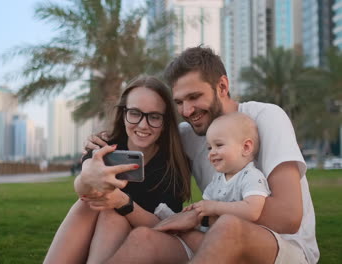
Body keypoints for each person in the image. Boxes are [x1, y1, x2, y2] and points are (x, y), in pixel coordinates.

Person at [87, 47, 319, 263]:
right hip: (212, 235)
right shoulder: (187, 135)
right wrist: (106, 141)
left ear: (222, 87)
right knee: (142, 239)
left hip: (283, 247)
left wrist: (203, 215)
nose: (187, 111)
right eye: (179, 102)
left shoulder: (266, 117)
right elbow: (142, 136)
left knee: (229, 226)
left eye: (194, 97)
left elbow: (288, 217)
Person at [43, 76, 192, 264]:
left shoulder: (172, 163)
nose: (143, 124)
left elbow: (168, 226)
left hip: (144, 242)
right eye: (135, 113)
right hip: (97, 232)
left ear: (164, 123)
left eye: (154, 116)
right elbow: (82, 189)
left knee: (113, 214)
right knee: (89, 203)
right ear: (123, 114)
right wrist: (88, 177)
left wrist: (123, 202)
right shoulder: (104, 146)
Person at [174, 112, 271, 256]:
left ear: (246, 147)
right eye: (209, 148)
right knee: (183, 236)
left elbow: (252, 211)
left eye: (218, 145)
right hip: (217, 238)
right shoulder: (218, 178)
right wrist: (196, 209)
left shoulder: (251, 176)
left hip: (244, 244)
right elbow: (207, 204)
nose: (211, 153)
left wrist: (215, 207)